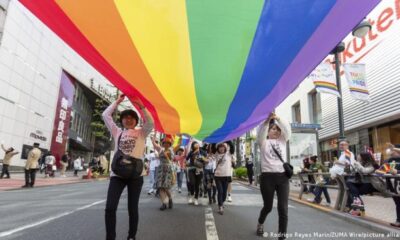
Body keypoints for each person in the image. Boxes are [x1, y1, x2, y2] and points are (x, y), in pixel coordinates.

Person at [102, 94, 153, 240]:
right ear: (122, 121)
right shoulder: (117, 132)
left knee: (132, 208)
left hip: (136, 176)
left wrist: (141, 106)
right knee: (110, 208)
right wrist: (117, 101)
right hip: (117, 175)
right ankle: (110, 237)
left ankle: (131, 236)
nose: (128, 119)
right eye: (125, 117)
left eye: (131, 117)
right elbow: (105, 115)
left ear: (136, 121)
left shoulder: (142, 133)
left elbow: (150, 122)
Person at [256, 113, 291, 239]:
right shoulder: (263, 142)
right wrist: (267, 122)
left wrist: (278, 119)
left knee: (283, 208)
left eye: (278, 129)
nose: (276, 131)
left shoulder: (283, 140)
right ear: (269, 131)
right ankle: (260, 223)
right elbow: (260, 134)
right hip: (267, 178)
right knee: (268, 207)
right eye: (273, 128)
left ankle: (282, 236)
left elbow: (287, 130)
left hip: (282, 178)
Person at [345, 152, 378, 216]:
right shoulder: (360, 163)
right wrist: (348, 167)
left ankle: (358, 209)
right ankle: (359, 210)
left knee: (352, 191)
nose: (357, 157)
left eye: (359, 155)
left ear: (364, 157)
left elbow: (365, 171)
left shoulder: (372, 165)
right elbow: (351, 171)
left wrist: (357, 164)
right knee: (350, 185)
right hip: (362, 183)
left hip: (371, 184)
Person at [152, 136, 175, 210]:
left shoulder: (172, 150)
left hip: (168, 169)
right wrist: (153, 138)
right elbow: (154, 144)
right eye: (164, 143)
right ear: (163, 143)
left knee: (166, 187)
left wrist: (179, 137)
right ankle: (164, 203)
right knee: (160, 186)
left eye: (168, 143)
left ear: (170, 144)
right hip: (161, 169)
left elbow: (179, 144)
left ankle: (170, 199)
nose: (166, 144)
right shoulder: (160, 149)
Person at [213, 142, 236, 214]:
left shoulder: (229, 154)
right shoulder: (216, 154)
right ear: (218, 148)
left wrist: (228, 139)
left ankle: (221, 203)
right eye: (220, 147)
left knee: (224, 193)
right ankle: (220, 206)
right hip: (218, 176)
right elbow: (213, 146)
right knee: (220, 191)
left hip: (226, 176)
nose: (221, 148)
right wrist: (218, 138)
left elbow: (232, 147)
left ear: (225, 148)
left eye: (222, 147)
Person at [381, 143, 400, 228]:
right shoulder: (389, 160)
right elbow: (380, 172)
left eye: (394, 150)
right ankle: (398, 220)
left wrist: (398, 172)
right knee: (398, 203)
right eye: (391, 150)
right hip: (393, 186)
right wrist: (387, 171)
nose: (392, 152)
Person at [186, 141, 207, 205]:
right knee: (192, 183)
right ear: (193, 145)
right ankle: (192, 196)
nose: (196, 144)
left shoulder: (202, 152)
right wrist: (187, 163)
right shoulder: (191, 152)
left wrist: (203, 158)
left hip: (199, 169)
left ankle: (196, 198)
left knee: (197, 184)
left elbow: (206, 160)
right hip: (191, 169)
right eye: (195, 144)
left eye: (197, 143)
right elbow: (186, 159)